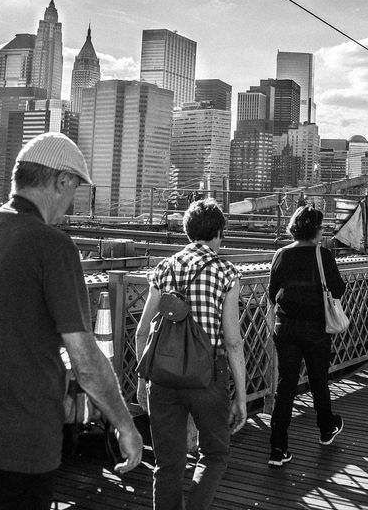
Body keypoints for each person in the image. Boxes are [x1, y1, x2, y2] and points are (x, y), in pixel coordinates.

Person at [0, 133, 143, 510]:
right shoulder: (54, 247)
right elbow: (84, 361)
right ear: (62, 181)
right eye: (74, 190)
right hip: (24, 446)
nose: (71, 204)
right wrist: (124, 424)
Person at [136, 198, 247, 510]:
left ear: (187, 232)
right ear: (218, 234)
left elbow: (142, 331)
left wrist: (141, 382)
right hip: (208, 377)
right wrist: (241, 395)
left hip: (162, 378)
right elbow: (233, 341)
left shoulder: (163, 269)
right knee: (214, 454)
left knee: (167, 465)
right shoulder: (226, 272)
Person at [266, 205, 345, 468]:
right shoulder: (322, 255)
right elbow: (338, 289)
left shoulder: (281, 254)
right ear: (316, 230)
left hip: (285, 327)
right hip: (315, 328)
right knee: (318, 379)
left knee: (285, 386)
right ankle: (326, 429)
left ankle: (277, 448)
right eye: (322, 228)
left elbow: (271, 292)